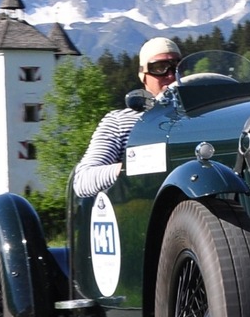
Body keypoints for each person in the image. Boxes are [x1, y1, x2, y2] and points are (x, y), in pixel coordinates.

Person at [72, 37, 181, 198]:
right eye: (159, 68)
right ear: (143, 75)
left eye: (177, 67)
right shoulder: (119, 122)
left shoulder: (198, 116)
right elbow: (83, 180)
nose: (170, 75)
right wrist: (133, 167)